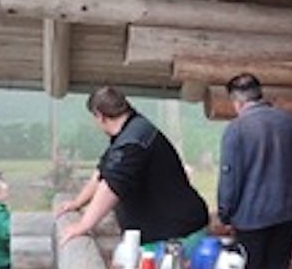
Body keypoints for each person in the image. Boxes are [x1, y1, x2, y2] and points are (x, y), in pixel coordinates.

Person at [57, 86, 208, 249]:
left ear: (100, 116)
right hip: (166, 230)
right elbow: (102, 173)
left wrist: (83, 225)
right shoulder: (130, 131)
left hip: (174, 235)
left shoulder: (133, 142)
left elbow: (111, 186)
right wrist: (77, 203)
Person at [217, 73, 292, 269]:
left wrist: (225, 213)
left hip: (251, 219)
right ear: (259, 95)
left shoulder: (237, 129)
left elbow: (230, 177)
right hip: (288, 214)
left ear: (237, 102)